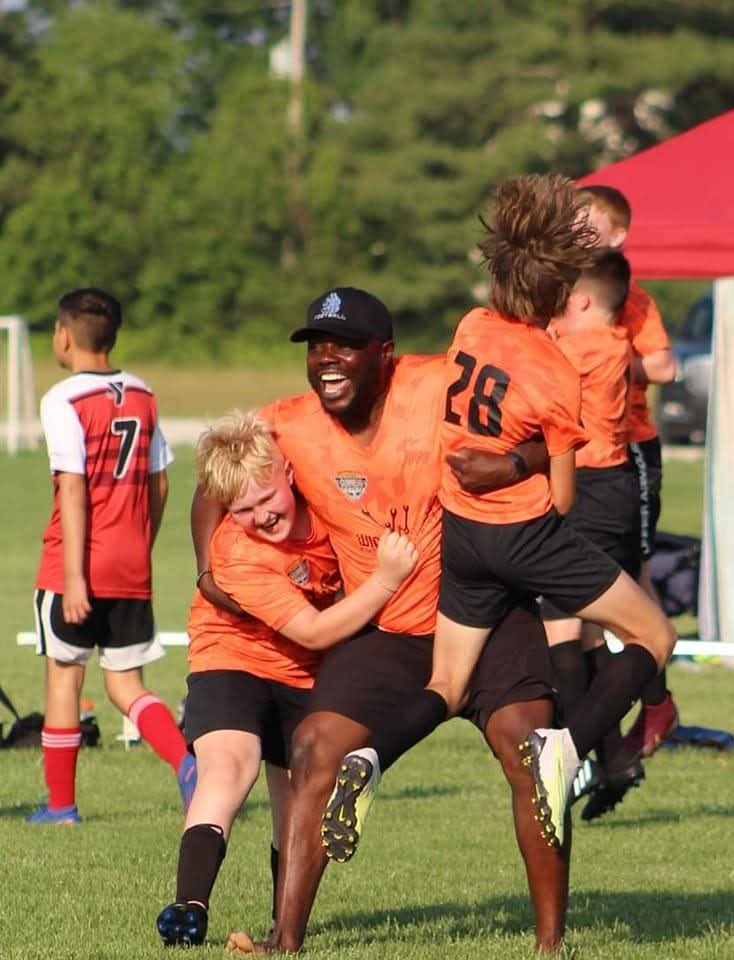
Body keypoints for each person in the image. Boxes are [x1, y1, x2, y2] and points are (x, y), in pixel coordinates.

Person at [199, 289, 567, 953]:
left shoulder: (435, 385)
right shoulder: (289, 425)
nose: (327, 359)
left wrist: (513, 463)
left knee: (534, 753)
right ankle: (286, 941)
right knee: (314, 745)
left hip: (485, 611)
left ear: (385, 355)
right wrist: (205, 570)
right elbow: (213, 478)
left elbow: (550, 434)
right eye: (317, 347)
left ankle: (550, 943)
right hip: (392, 631)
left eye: (343, 345)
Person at [336, 175, 675, 855]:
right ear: (559, 295)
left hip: (462, 535)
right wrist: (525, 464)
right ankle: (571, 750)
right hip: (526, 535)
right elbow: (564, 499)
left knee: (447, 682)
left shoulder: (471, 326)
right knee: (654, 637)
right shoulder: (555, 370)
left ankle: (371, 759)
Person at [156, 411, 418, 947]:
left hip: (305, 673)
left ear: (289, 474)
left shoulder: (324, 500)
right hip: (232, 656)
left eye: (266, 499)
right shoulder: (238, 551)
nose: (261, 516)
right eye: (243, 510)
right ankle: (188, 908)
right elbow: (316, 630)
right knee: (230, 768)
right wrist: (389, 579)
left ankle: (285, 925)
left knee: (297, 803)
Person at [29, 287, 194, 825]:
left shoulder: (62, 400)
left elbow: (73, 488)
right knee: (127, 686)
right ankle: (186, 763)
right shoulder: (143, 393)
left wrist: (75, 577)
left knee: (64, 678)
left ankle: (60, 807)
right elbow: (161, 482)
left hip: (74, 565)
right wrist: (138, 545)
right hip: (130, 565)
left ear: (64, 335)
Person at [540, 248, 647, 821]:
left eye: (562, 299)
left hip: (591, 488)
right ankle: (614, 754)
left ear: (581, 301)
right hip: (607, 488)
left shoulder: (586, 345)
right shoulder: (615, 341)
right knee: (581, 636)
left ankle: (573, 752)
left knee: (560, 631)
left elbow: (534, 365)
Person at [579, 185, 680, 765]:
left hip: (629, 450)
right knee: (585, 596)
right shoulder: (566, 296)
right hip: (576, 456)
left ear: (618, 237)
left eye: (588, 226)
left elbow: (664, 365)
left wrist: (608, 363)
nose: (577, 234)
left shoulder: (630, 299)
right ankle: (603, 737)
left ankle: (657, 696)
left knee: (629, 575)